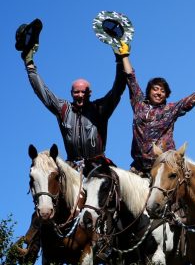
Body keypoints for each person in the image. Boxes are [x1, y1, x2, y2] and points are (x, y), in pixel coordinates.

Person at [21, 33, 127, 167]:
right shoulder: (63, 109)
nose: (80, 95)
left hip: (99, 167)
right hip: (72, 166)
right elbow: (43, 93)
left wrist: (120, 60)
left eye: (84, 92)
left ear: (90, 93)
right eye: (77, 92)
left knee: (116, 182)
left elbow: (118, 89)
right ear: (71, 93)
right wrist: (30, 66)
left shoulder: (100, 108)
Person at [123, 53, 195, 174]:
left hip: (164, 166)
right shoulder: (139, 104)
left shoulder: (169, 109)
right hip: (138, 167)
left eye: (163, 91)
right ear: (149, 91)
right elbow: (131, 79)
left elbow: (191, 99)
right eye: (155, 89)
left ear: (166, 95)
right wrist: (124, 55)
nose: (159, 93)